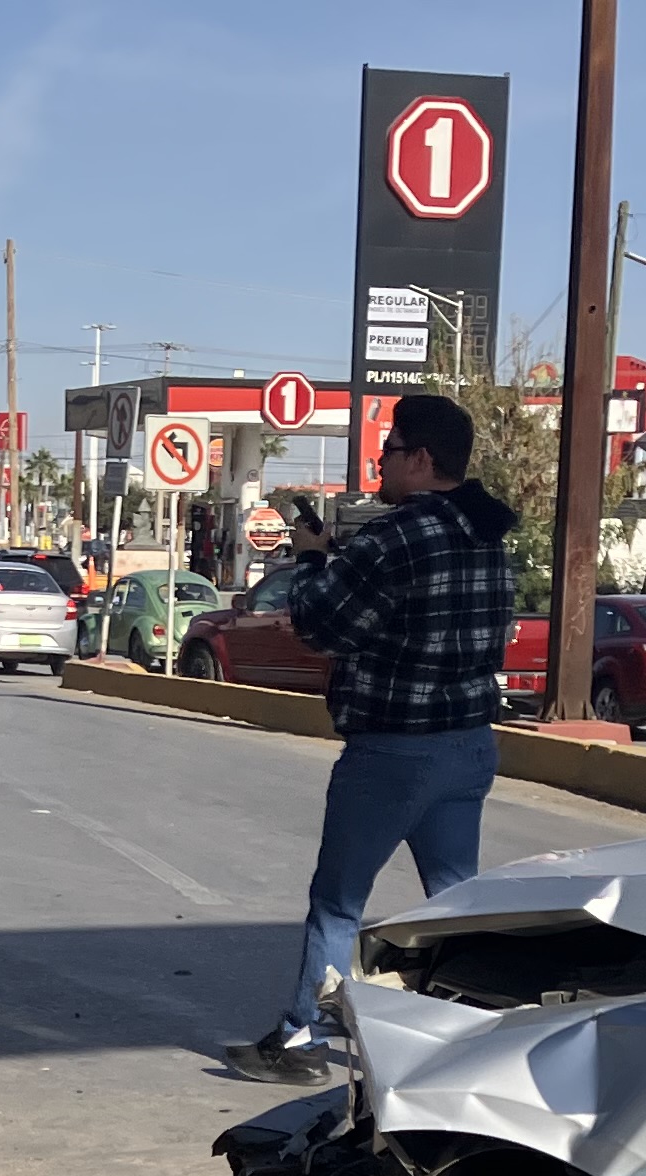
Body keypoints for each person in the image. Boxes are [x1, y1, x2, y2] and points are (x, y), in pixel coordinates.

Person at [229, 391, 519, 1085]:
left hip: (393, 748)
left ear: (421, 459)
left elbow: (322, 627)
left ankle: (300, 1041)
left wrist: (310, 562)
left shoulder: (391, 539)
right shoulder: (488, 534)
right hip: (468, 743)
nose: (380, 461)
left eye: (389, 449)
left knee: (339, 901)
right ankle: (471, 1035)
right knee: (455, 898)